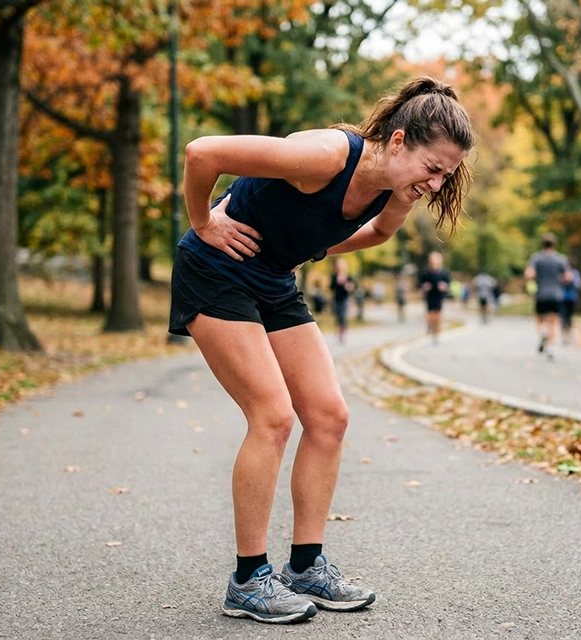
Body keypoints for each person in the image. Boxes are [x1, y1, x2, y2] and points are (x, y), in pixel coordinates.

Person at [168, 75, 474, 624]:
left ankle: (306, 566)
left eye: (445, 175)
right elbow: (202, 153)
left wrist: (402, 201)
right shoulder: (325, 157)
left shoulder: (391, 184)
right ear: (399, 141)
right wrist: (203, 222)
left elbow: (372, 233)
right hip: (215, 270)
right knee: (272, 417)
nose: (436, 182)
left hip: (273, 278)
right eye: (432, 168)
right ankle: (248, 579)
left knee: (329, 416)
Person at [524, 232, 572, 360]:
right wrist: (559, 278)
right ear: (554, 244)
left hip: (541, 294)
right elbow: (568, 277)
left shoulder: (536, 258)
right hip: (556, 295)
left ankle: (543, 333)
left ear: (542, 244)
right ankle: (550, 348)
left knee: (540, 320)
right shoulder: (561, 259)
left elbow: (529, 274)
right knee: (554, 322)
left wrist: (537, 278)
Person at [419, 251, 451, 343]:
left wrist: (444, 287)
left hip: (439, 296)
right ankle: (431, 329)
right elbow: (420, 284)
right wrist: (424, 287)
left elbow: (448, 284)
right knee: (430, 314)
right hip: (429, 296)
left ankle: (437, 332)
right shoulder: (426, 272)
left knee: (438, 314)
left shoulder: (443, 273)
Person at [330, 257, 355, 343]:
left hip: (345, 298)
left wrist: (347, 286)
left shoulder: (348, 276)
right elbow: (331, 287)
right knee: (337, 316)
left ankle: (343, 333)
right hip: (337, 298)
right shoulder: (334, 276)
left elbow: (352, 287)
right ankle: (338, 331)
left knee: (343, 316)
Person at [560, 261, 581, 344]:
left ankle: (569, 332)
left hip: (572, 298)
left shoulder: (575, 274)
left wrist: (571, 280)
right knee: (563, 316)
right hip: (561, 298)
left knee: (569, 316)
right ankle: (564, 334)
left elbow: (578, 285)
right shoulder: (561, 274)